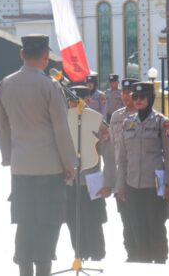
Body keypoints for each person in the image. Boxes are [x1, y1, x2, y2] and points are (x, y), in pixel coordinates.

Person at [0, 34, 77, 276]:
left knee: (24, 222)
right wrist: (69, 164)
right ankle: (43, 271)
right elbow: (61, 129)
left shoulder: (4, 85)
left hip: (20, 168)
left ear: (22, 54)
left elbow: (2, 128)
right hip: (49, 168)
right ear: (46, 56)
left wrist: (8, 158)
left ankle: (24, 272)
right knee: (48, 223)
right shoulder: (49, 86)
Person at [116, 82, 169, 264]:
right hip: (132, 184)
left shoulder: (162, 122)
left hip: (154, 186)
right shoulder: (128, 122)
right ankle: (142, 265)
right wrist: (121, 185)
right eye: (135, 97)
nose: (138, 100)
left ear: (150, 98)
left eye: (142, 97)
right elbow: (122, 158)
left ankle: (159, 264)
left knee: (156, 228)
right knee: (137, 229)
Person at [63, 85, 115, 262]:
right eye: (71, 100)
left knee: (93, 219)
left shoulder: (97, 121)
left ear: (88, 100)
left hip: (92, 179)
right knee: (72, 220)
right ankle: (79, 254)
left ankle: (97, 255)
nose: (74, 104)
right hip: (69, 181)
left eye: (78, 100)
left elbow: (108, 153)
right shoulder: (63, 121)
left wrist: (109, 182)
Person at [107, 78, 139, 262]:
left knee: (141, 217)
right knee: (126, 218)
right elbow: (112, 148)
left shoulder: (147, 115)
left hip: (140, 173)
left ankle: (143, 252)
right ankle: (131, 253)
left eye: (130, 92)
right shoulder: (116, 116)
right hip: (122, 175)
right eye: (124, 92)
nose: (126, 95)